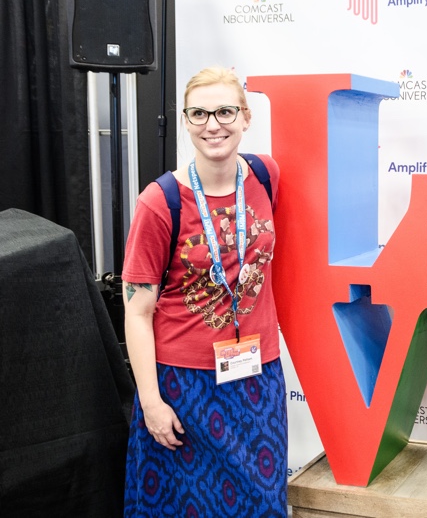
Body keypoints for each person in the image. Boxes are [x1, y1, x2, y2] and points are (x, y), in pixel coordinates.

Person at [122, 66, 287, 517]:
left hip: (257, 376)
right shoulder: (160, 202)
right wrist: (151, 402)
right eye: (199, 113)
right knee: (187, 507)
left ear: (247, 117)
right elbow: (137, 313)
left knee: (263, 502)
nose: (212, 124)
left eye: (225, 111)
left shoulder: (266, 176)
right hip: (183, 385)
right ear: (185, 121)